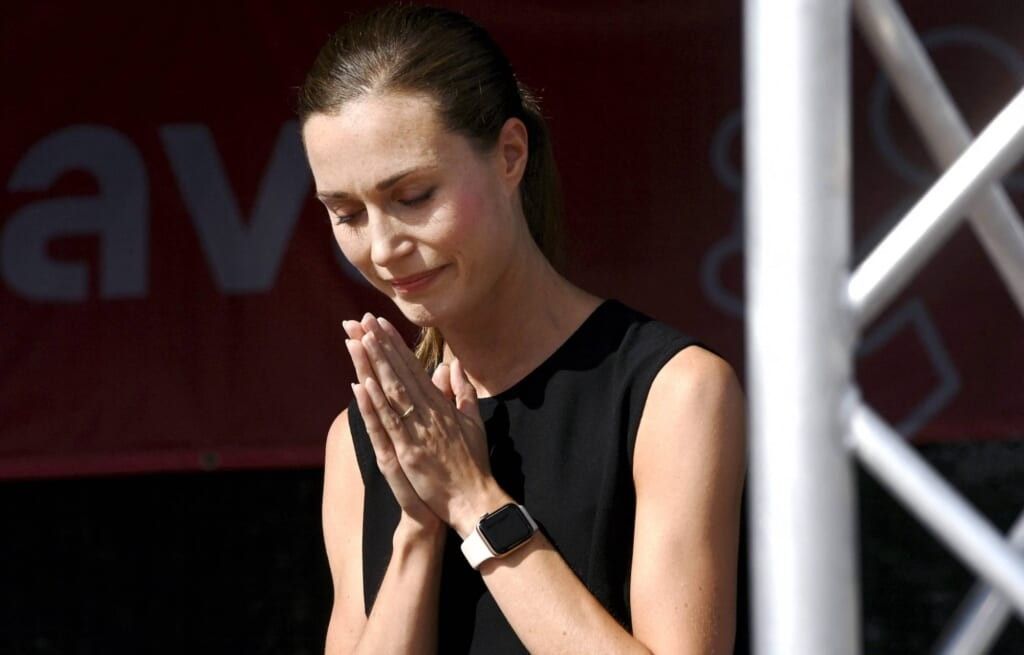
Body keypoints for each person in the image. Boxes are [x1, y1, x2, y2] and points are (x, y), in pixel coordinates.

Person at [297, 4, 746, 654]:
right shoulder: (360, 440)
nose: (384, 244)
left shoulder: (674, 394)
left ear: (510, 154)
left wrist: (473, 500)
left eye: (414, 196)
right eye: (346, 211)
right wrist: (418, 529)